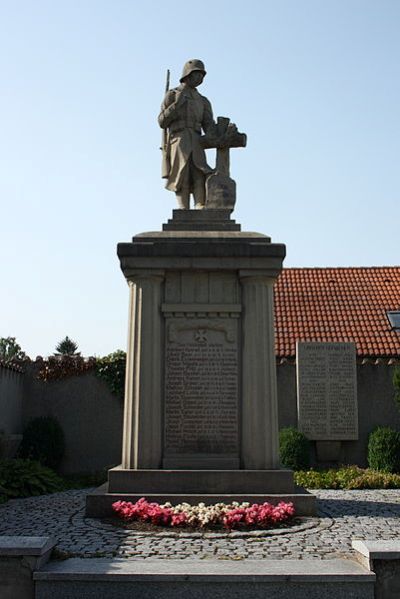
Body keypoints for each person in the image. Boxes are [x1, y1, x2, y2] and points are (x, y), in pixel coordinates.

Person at [158, 59, 215, 209]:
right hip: (179, 139)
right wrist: (176, 106)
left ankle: (199, 204)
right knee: (181, 174)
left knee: (199, 173)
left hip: (197, 139)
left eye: (202, 76)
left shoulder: (203, 101)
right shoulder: (173, 95)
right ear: (188, 75)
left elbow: (209, 125)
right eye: (197, 74)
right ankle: (183, 208)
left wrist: (219, 133)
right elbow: (162, 121)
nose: (200, 78)